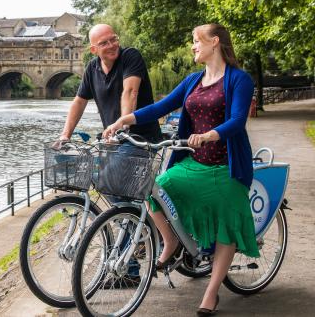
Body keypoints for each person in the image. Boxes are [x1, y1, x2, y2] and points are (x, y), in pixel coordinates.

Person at [103, 23, 260, 316]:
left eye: (196, 41)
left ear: (214, 42)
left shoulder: (239, 79)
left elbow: (238, 120)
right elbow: (160, 107)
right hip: (194, 162)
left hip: (227, 166)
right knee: (157, 190)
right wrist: (123, 121)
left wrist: (211, 134)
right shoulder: (192, 81)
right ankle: (173, 240)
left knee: (227, 217)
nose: (193, 46)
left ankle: (212, 292)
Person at [59, 24, 162, 288]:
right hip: (114, 141)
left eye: (114, 39)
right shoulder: (92, 69)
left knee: (113, 186)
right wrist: (65, 135)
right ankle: (140, 235)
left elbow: (130, 92)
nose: (112, 45)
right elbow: (79, 102)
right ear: (94, 49)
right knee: (113, 194)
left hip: (140, 138)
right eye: (104, 43)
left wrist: (123, 126)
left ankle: (130, 263)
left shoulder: (130, 57)